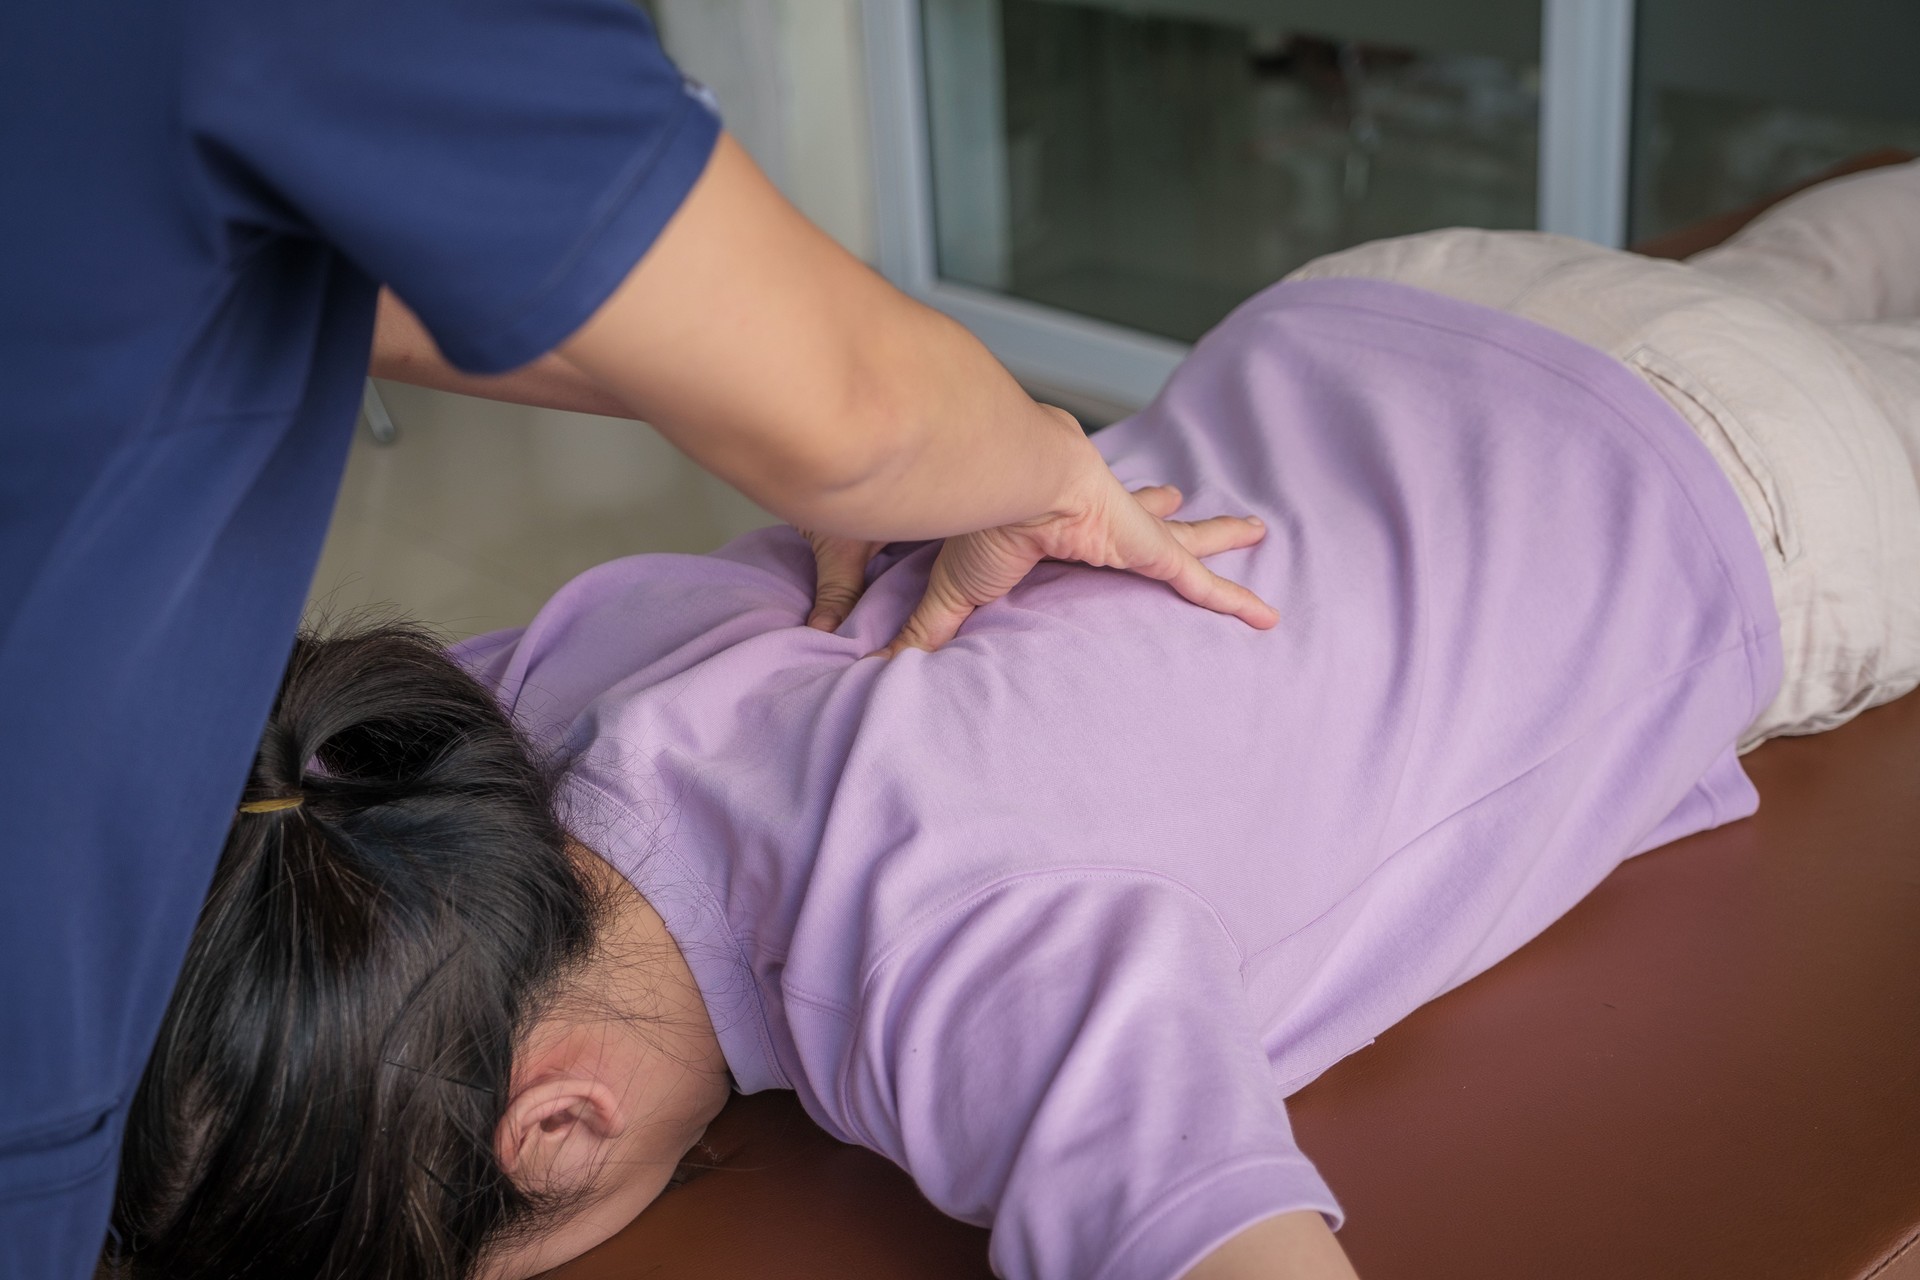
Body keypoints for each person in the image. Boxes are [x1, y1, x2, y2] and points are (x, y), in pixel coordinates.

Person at [102, 164, 1920, 1280]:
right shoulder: (558, 700)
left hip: (1714, 497)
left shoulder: (956, 956)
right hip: (1410, 321)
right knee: (1795, 277)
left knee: (1796, 344)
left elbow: (1219, 1236)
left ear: (556, 1133)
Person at [0, 6, 1273, 1276]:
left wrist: (917, 446)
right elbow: (851, 405)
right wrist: (1034, 454)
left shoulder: (931, 917)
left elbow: (361, 286)